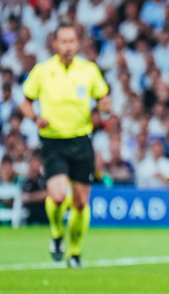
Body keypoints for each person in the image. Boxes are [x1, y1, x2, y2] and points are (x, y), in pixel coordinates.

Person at [19, 22, 111, 268]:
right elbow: (25, 102)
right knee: (58, 196)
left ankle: (75, 252)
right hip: (53, 142)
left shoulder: (89, 70)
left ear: (77, 43)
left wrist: (104, 106)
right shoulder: (42, 71)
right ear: (55, 44)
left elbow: (103, 97)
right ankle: (57, 233)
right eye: (64, 41)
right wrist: (35, 118)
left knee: (81, 203)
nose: (68, 46)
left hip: (81, 141)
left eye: (72, 41)